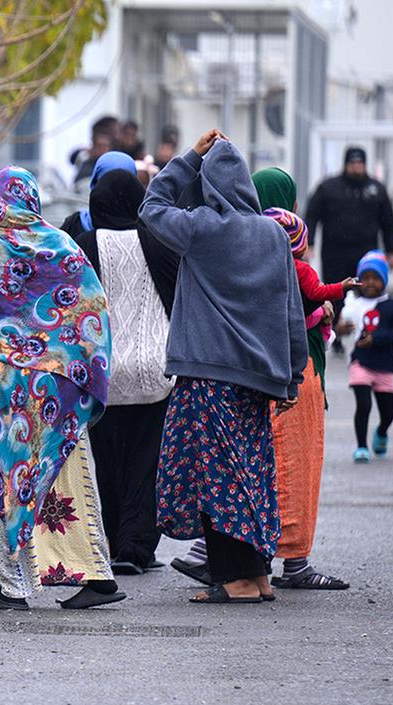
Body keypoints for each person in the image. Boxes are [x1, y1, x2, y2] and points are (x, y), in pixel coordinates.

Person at [140, 129, 306, 606]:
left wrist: (189, 158)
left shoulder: (201, 228)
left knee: (218, 478)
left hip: (209, 374)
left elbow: (151, 207)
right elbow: (290, 306)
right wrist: (293, 373)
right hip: (257, 378)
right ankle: (258, 577)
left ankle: (234, 581)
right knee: (251, 472)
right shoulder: (274, 235)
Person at [0, 166, 123, 611]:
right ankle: (97, 574)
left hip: (7, 396)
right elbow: (92, 309)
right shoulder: (63, 247)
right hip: (60, 395)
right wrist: (74, 366)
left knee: (5, 478)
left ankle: (12, 586)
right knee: (68, 477)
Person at [73, 168, 179, 577]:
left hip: (105, 373)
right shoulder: (158, 240)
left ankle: (115, 539)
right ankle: (137, 546)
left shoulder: (84, 245)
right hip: (155, 370)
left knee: (108, 459)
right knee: (146, 462)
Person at [262, 197, 354, 591]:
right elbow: (294, 313)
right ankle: (294, 563)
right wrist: (320, 313)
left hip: (253, 373)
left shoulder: (241, 255)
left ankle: (237, 559)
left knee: (257, 467)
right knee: (294, 465)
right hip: (293, 375)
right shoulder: (291, 267)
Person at [303, 147, 393, 325]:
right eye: (353, 163)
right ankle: (335, 332)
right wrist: (308, 244)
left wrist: (392, 250)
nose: (356, 167)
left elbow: (388, 222)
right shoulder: (328, 187)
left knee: (368, 290)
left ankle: (368, 327)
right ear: (346, 164)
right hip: (335, 252)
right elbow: (312, 215)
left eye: (359, 163)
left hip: (365, 253)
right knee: (335, 290)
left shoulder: (376, 189)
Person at [341, 252, 393, 463]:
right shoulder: (353, 304)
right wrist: (340, 329)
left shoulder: (392, 305)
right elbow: (340, 328)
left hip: (384, 366)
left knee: (388, 413)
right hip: (360, 363)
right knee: (364, 405)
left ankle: (381, 431)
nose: (370, 282)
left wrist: (376, 339)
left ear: (384, 280)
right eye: (366, 277)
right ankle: (361, 446)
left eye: (376, 278)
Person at [58, 151, 137, 239]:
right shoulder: (74, 225)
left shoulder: (145, 230)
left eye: (122, 184)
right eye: (107, 182)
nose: (114, 191)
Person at [72, 115, 118, 186]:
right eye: (99, 146)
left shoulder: (115, 166)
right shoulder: (86, 168)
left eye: (105, 146)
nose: (102, 149)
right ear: (93, 147)